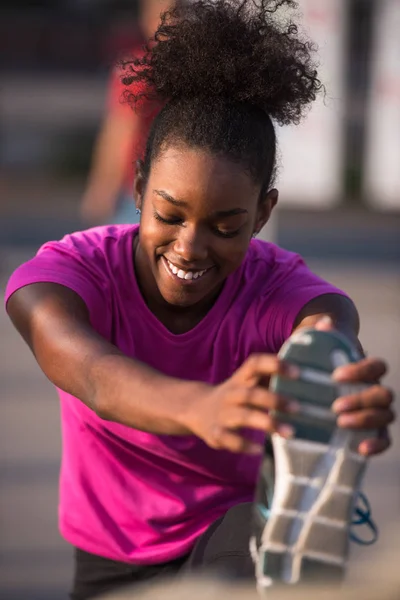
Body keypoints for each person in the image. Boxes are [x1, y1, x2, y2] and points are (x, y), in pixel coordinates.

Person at [4, 0, 394, 599]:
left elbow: (326, 319)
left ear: (264, 213)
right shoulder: (72, 272)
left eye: (226, 225)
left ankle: (280, 547)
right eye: (169, 214)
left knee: (248, 556)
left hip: (228, 530)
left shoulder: (273, 285)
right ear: (138, 187)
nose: (191, 245)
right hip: (110, 550)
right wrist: (200, 408)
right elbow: (93, 374)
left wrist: (331, 378)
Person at [80, 0, 170, 225]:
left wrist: (101, 187)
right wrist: (103, 186)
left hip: (151, 186)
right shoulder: (139, 70)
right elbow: (120, 129)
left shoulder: (138, 67)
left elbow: (118, 129)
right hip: (141, 185)